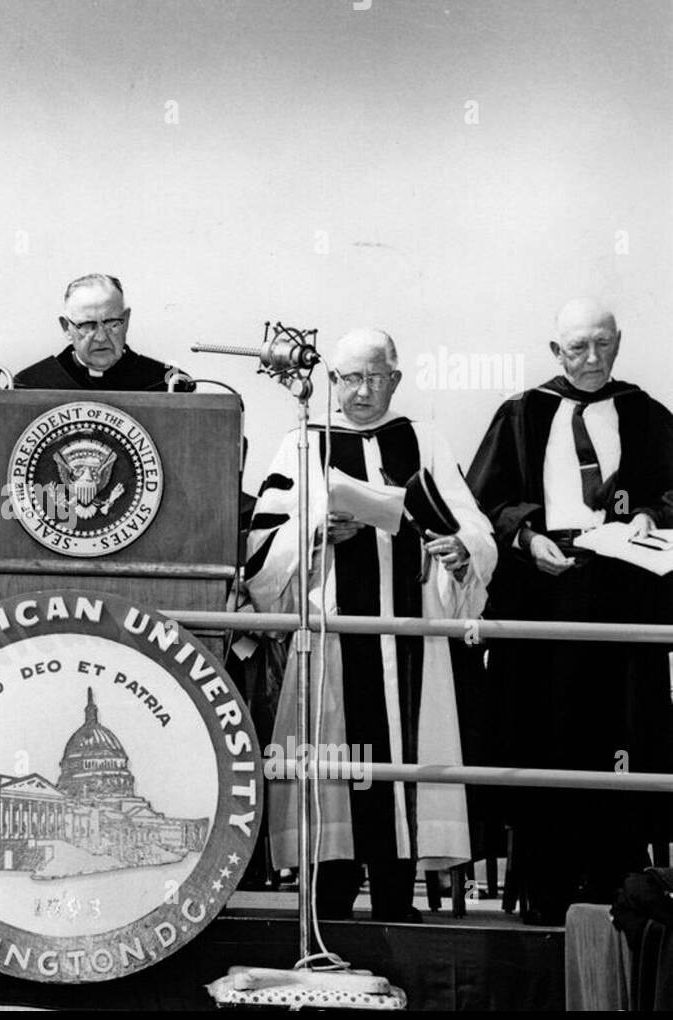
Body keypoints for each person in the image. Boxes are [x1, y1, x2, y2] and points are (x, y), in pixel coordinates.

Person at [245, 329, 496, 921]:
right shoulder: (305, 441)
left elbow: (471, 524)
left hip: (407, 634)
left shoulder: (423, 440)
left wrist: (464, 550)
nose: (361, 391)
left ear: (396, 379)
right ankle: (328, 911)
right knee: (336, 771)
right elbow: (261, 543)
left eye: (375, 377)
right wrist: (312, 532)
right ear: (332, 380)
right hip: (334, 635)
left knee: (401, 773)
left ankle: (394, 907)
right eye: (349, 378)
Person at [467, 299, 673, 925]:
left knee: (622, 743)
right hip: (543, 598)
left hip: (623, 598)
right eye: (577, 348)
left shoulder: (647, 415)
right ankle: (544, 892)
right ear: (556, 351)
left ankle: (620, 891)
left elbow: (672, 492)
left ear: (619, 343)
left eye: (602, 345)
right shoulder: (522, 415)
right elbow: (485, 501)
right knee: (543, 741)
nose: (590, 359)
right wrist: (528, 538)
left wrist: (651, 516)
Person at [14, 273, 192, 391]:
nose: (100, 337)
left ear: (126, 320)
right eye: (87, 325)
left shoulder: (168, 383)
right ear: (65, 327)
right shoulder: (30, 385)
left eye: (111, 323)